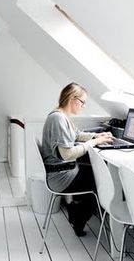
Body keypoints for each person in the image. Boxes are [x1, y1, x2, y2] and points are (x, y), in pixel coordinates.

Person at [42, 82, 114, 236]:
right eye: (83, 102)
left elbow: (77, 135)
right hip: (60, 176)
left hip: (64, 171)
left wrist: (96, 135)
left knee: (95, 174)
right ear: (73, 99)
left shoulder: (61, 115)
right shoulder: (58, 119)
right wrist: (94, 142)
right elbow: (66, 154)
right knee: (104, 180)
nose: (83, 106)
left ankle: (76, 212)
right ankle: (79, 218)